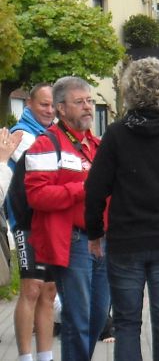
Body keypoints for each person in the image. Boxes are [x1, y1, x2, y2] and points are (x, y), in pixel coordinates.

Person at [84, 57, 159, 361]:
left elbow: (95, 189)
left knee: (126, 323)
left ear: (129, 91)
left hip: (125, 242)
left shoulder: (115, 135)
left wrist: (95, 233)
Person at [24, 77, 110, 361]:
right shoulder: (46, 144)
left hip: (102, 239)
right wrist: (82, 188)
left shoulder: (96, 145)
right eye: (79, 102)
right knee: (78, 317)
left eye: (89, 101)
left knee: (99, 314)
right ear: (61, 108)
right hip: (73, 240)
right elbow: (37, 196)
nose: (87, 107)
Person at [7, 84, 56, 361]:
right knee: (31, 288)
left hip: (52, 222)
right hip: (26, 221)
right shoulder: (22, 135)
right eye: (43, 105)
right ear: (29, 105)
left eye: (53, 105)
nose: (49, 110)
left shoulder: (52, 133)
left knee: (49, 290)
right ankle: (25, 356)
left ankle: (45, 356)